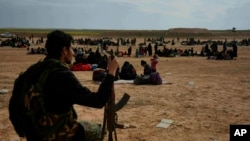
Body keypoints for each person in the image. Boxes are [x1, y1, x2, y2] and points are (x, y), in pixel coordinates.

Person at [12, 30, 119, 141]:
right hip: (54, 135)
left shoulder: (33, 71)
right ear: (64, 50)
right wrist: (111, 73)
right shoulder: (62, 75)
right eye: (71, 48)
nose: (73, 53)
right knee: (98, 130)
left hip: (35, 135)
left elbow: (14, 105)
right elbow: (98, 101)